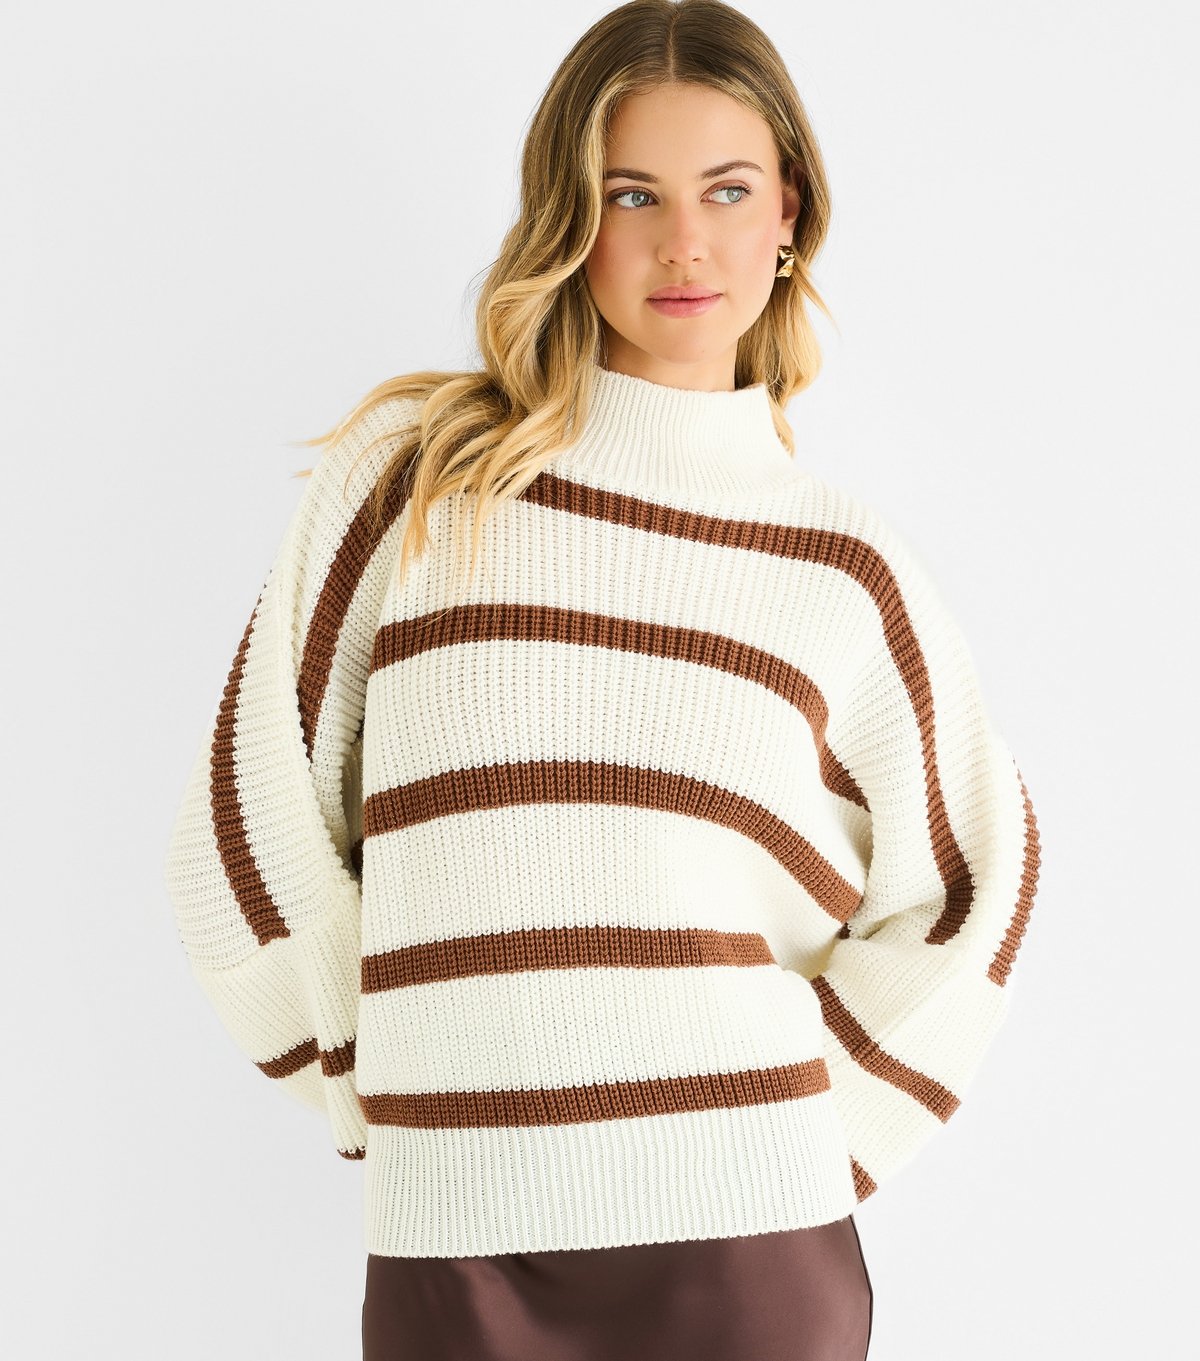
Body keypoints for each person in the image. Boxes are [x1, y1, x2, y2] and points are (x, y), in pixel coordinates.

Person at [162, 2, 1042, 1358]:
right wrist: (397, 1089)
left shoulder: (844, 571)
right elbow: (243, 829)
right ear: (570, 217)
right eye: (633, 194)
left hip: (748, 1255)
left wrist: (794, 1144)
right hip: (460, 1245)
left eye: (726, 191)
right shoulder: (415, 482)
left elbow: (974, 890)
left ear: (789, 214)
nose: (684, 241)